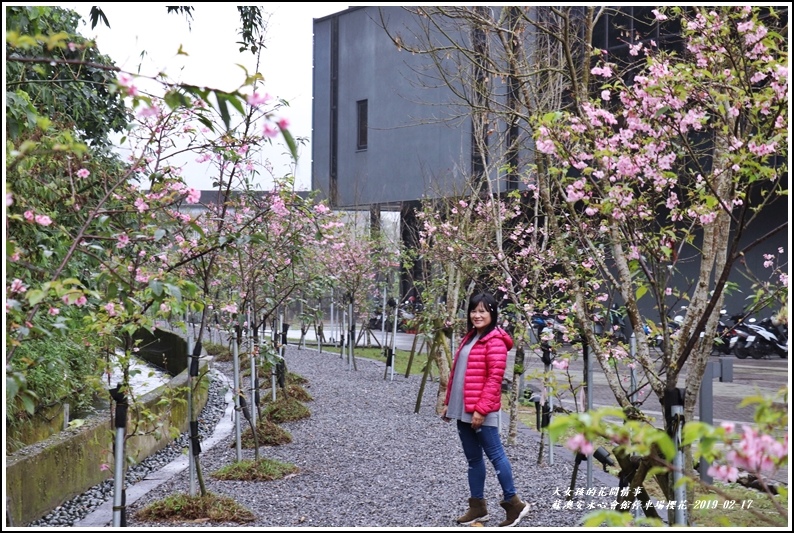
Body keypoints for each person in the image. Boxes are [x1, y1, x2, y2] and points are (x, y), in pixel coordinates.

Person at [441, 292, 530, 527]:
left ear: (492, 313)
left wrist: (481, 409)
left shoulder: (496, 341)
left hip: (482, 410)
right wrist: (449, 403)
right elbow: (458, 374)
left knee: (496, 454)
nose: (477, 315)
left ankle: (514, 504)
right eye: (473, 310)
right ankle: (477, 507)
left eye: (482, 311)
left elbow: (494, 379)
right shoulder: (470, 337)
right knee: (473, 459)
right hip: (463, 408)